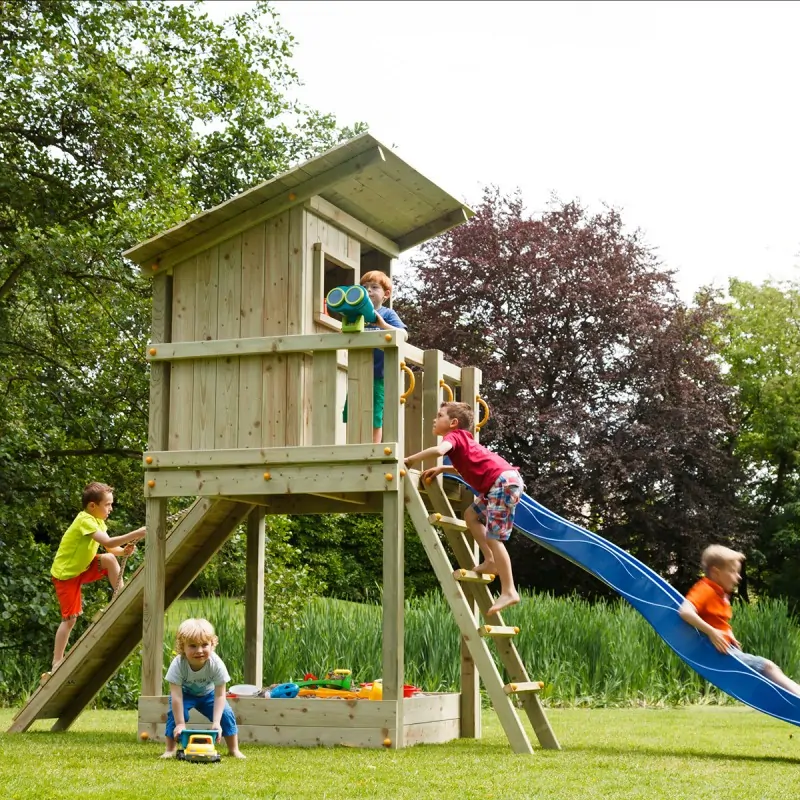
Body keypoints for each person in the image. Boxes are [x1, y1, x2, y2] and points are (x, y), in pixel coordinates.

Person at [404, 401, 523, 616]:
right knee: (471, 515)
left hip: (501, 483)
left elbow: (439, 450)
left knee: (495, 537)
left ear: (453, 423)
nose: (434, 419)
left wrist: (410, 460)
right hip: (499, 483)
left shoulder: (454, 437)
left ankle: (509, 590)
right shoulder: (465, 440)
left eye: (439, 415)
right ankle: (490, 560)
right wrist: (444, 468)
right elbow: (472, 465)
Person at [47, 482, 146, 676]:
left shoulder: (99, 521)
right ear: (93, 506)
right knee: (70, 620)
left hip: (83, 568)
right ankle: (57, 660)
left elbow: (111, 549)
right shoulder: (85, 520)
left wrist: (122, 551)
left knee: (109, 559)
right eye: (108, 504)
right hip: (66, 576)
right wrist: (138, 532)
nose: (111, 509)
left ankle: (121, 595)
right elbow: (108, 542)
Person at [679, 544, 800, 696]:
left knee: (768, 670)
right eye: (733, 571)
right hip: (718, 655)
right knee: (768, 667)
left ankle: (793, 695)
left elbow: (716, 620)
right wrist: (712, 632)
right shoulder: (705, 589)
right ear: (716, 572)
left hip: (727, 651)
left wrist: (729, 635)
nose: (739, 577)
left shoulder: (719, 594)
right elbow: (685, 611)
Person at [161, 618, 245, 759]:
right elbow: (176, 696)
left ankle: (234, 749)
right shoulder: (178, 664)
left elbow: (220, 695)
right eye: (192, 646)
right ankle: (170, 749)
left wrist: (216, 723)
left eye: (204, 645)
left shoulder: (216, 664)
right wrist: (181, 723)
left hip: (209, 694)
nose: (199, 651)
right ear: (182, 647)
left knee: (226, 713)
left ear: (212, 644)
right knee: (174, 715)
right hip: (185, 694)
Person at [342, 270, 406, 443]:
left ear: (385, 294)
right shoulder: (356, 315)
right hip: (357, 372)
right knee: (353, 411)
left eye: (374, 287)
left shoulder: (387, 314)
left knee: (375, 414)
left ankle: (374, 447)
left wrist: (383, 325)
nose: (368, 290)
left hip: (380, 374)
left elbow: (404, 335)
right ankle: (353, 446)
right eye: (364, 287)